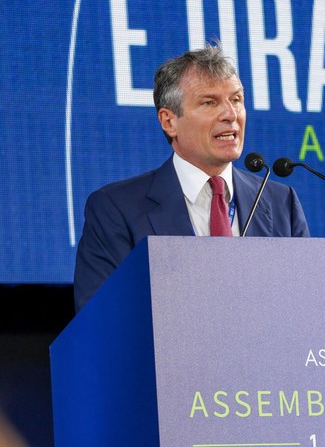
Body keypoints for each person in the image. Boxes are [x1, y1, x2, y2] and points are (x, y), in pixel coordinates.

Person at [74, 46, 309, 311]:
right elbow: (101, 317)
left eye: (236, 99)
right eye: (209, 102)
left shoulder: (280, 202)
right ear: (169, 121)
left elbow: (305, 308)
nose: (230, 114)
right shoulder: (116, 209)